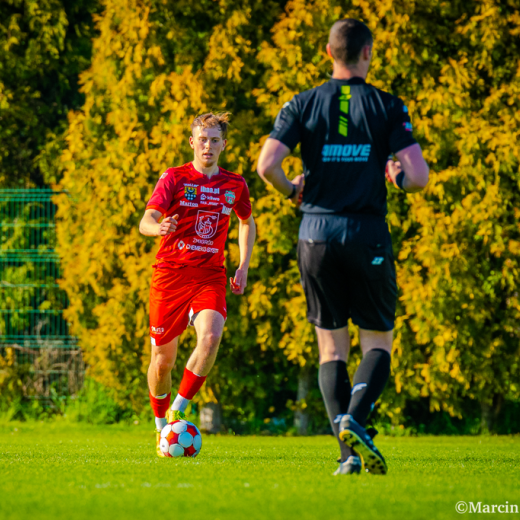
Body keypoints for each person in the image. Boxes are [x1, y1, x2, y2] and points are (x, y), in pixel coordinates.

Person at [257, 19, 429, 475]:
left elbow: (266, 165)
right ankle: (357, 416)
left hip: (315, 233)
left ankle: (348, 455)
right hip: (366, 232)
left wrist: (292, 193)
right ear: (368, 53)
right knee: (377, 340)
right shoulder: (387, 106)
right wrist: (393, 175)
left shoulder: (302, 103)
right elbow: (418, 177)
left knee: (331, 350)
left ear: (328, 52)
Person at [140, 112, 256, 457]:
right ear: (192, 142)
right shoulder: (174, 178)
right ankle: (162, 427)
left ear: (224, 145)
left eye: (214, 140)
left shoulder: (235, 184)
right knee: (162, 362)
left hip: (209, 276)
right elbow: (147, 219)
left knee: (211, 336)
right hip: (170, 275)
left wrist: (244, 264)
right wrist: (158, 228)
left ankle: (179, 408)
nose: (208, 145)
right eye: (202, 139)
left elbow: (247, 222)